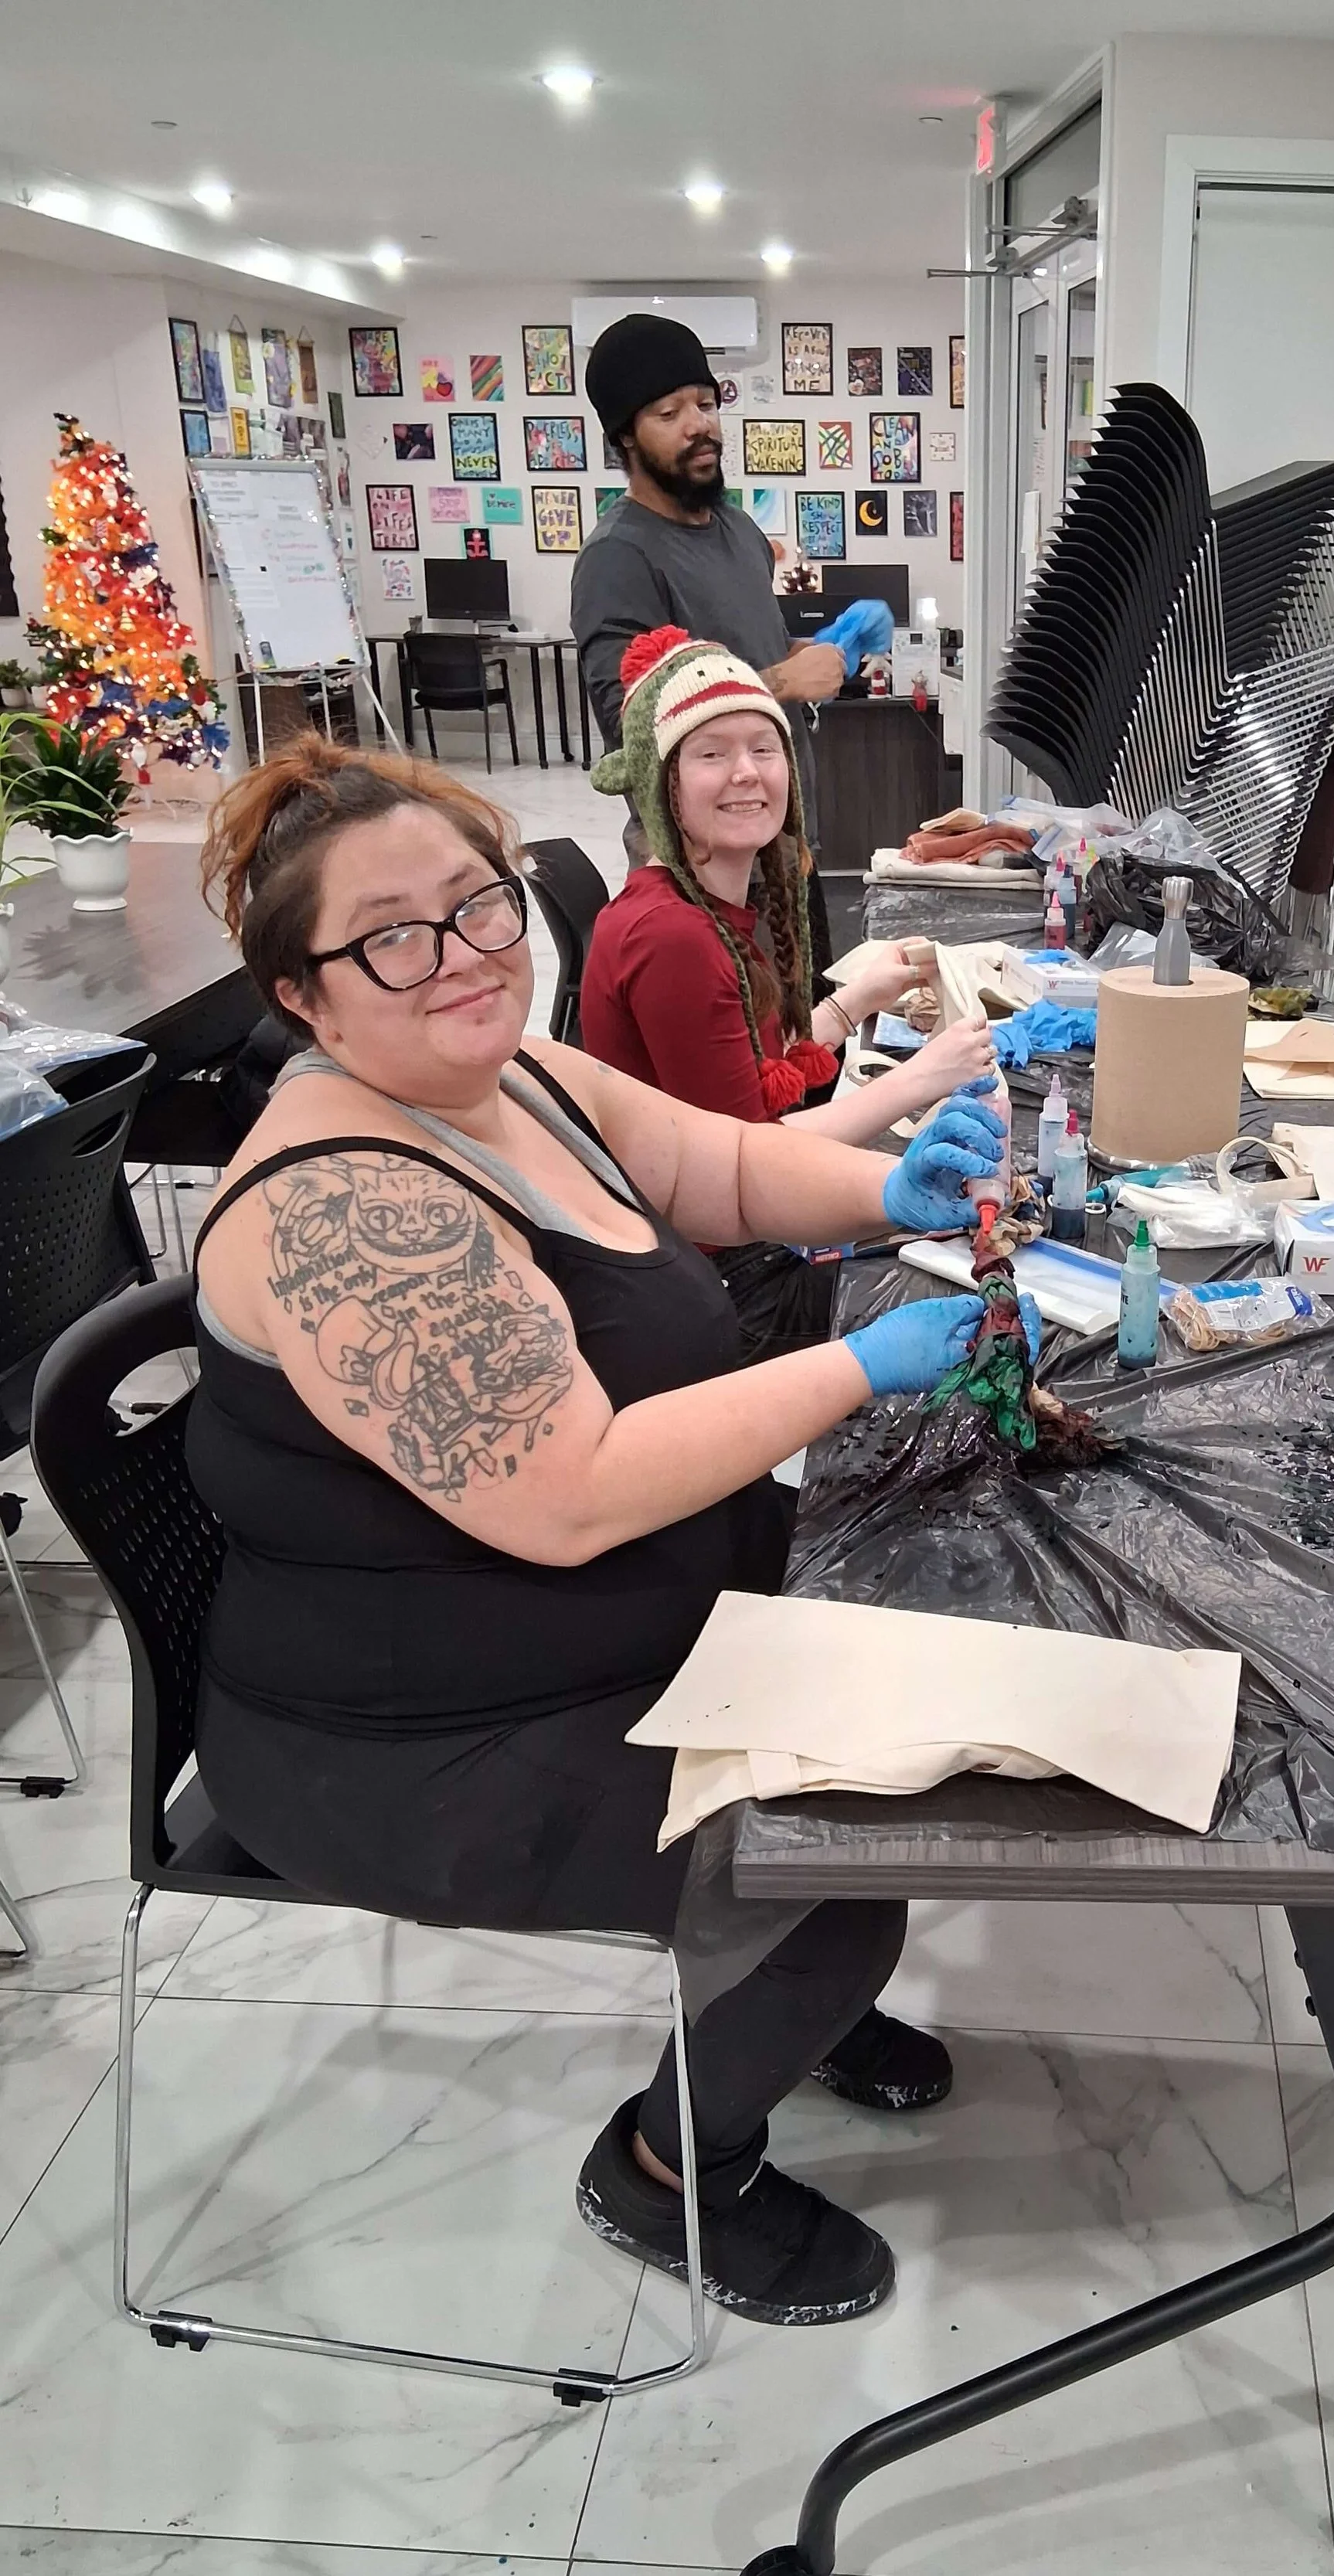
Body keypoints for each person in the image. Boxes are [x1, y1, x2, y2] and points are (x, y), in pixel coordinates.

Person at [189, 737, 1033, 2328]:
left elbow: (713, 1166)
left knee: (913, 1662)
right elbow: (566, 1490)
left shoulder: (506, 1073)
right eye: (391, 935)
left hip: (585, 1633)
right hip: (409, 1736)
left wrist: (890, 1197)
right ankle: (665, 2165)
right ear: (303, 995)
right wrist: (858, 1358)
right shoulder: (338, 1210)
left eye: (478, 904)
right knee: (833, 1865)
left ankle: (780, 2001)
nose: (460, 956)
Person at [580, 625, 997, 1356]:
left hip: (719, 1247)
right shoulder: (672, 939)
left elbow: (752, 1079)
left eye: (763, 748)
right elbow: (751, 1159)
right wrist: (921, 1080)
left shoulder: (702, 911)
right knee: (967, 1296)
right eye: (712, 753)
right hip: (718, 1281)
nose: (746, 772)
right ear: (662, 786)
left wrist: (859, 998)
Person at [572, 313, 844, 846]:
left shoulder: (738, 528)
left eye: (706, 403)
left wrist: (794, 652)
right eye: (669, 412)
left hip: (786, 844)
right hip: (700, 870)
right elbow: (636, 732)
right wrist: (784, 682)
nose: (699, 424)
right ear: (626, 435)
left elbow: (737, 651)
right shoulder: (616, 558)